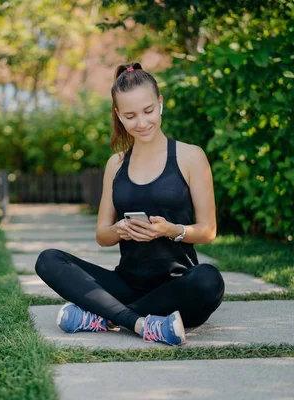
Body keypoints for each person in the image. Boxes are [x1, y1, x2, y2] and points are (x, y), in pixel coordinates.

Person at [34, 62, 225, 345]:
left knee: (210, 280)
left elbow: (208, 230)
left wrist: (170, 230)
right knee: (48, 259)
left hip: (177, 289)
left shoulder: (190, 157)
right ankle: (139, 323)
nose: (142, 122)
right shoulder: (116, 164)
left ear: (160, 103)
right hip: (125, 285)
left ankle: (106, 317)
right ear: (118, 116)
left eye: (148, 111)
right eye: (130, 115)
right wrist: (121, 229)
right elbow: (102, 235)